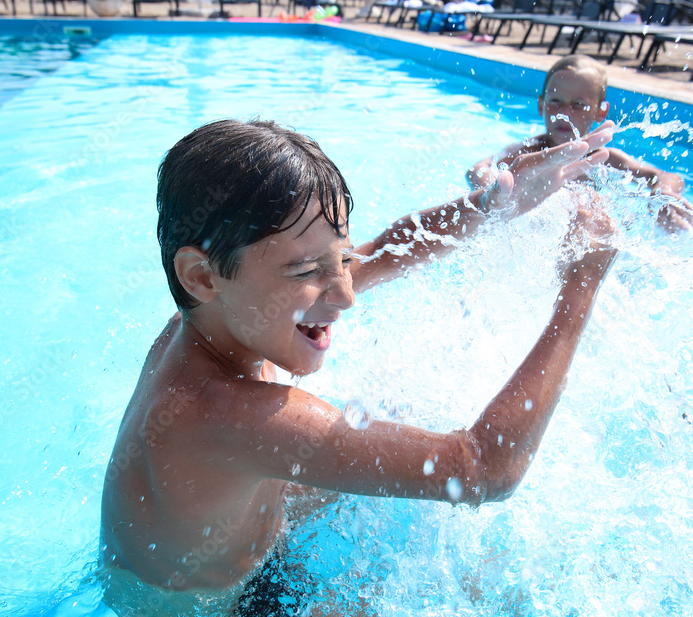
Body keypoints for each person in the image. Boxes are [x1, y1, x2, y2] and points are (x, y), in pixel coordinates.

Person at [100, 118, 618, 613]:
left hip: (236, 544)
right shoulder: (226, 413)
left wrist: (491, 205)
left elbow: (385, 252)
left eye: (340, 259)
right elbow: (484, 469)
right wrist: (580, 285)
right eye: (307, 269)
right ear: (202, 276)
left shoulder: (217, 317)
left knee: (388, 411)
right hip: (220, 608)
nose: (346, 293)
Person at [466, 55, 693, 231]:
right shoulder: (529, 152)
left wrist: (663, 192)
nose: (565, 113)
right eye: (556, 101)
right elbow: (479, 168)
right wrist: (495, 193)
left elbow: (665, 176)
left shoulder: (604, 158)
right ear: (541, 105)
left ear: (600, 112)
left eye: (579, 104)